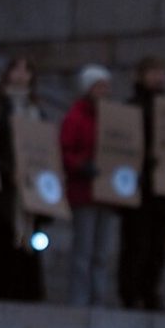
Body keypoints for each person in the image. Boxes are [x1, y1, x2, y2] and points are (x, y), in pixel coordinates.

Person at [0, 55, 47, 303]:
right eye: (16, 69)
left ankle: (23, 292)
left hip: (28, 192)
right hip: (2, 191)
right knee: (0, 241)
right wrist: (8, 172)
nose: (21, 74)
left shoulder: (38, 112)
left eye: (27, 70)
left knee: (25, 241)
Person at [116, 56, 165, 311]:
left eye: (161, 72)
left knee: (158, 247)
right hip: (139, 186)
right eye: (152, 72)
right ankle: (131, 292)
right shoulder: (131, 108)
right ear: (140, 76)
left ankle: (151, 291)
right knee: (136, 243)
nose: (158, 77)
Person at [59, 64, 117, 307]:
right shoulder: (76, 117)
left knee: (101, 253)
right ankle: (79, 300)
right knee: (84, 251)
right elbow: (64, 151)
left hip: (108, 192)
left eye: (106, 86)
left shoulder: (114, 119)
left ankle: (98, 299)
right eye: (98, 86)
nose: (103, 91)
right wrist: (82, 166)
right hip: (84, 192)